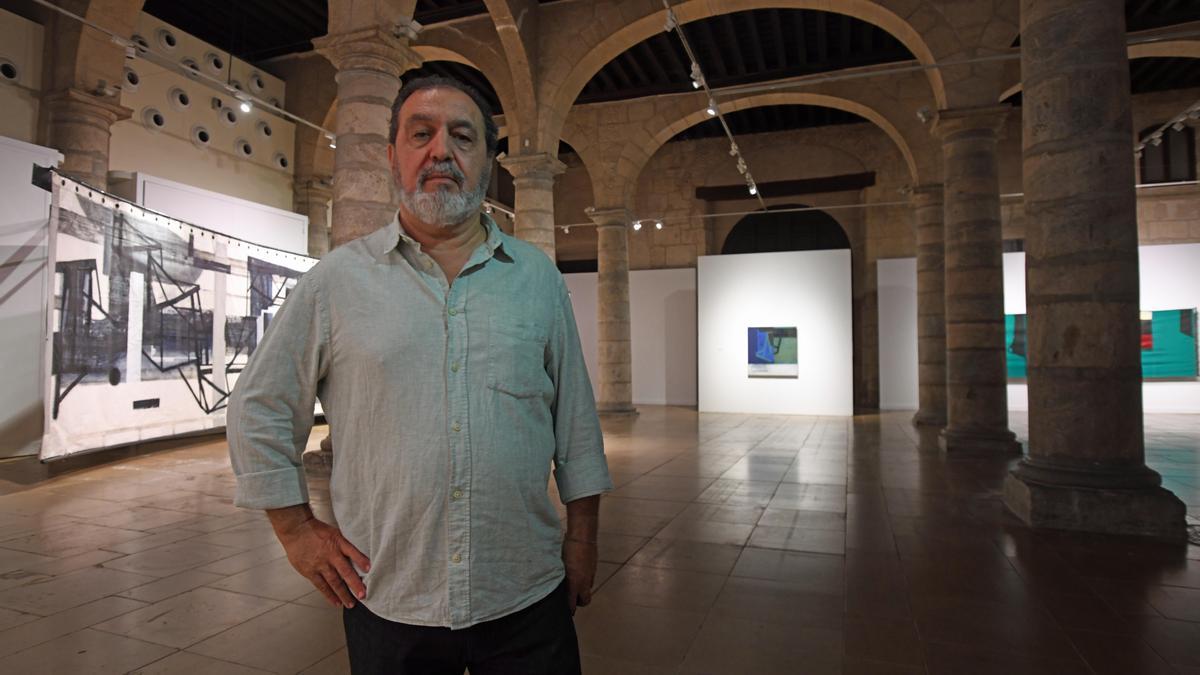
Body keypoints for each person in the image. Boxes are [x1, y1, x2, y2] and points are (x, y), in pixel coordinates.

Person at [227, 75, 611, 675]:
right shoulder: (336, 282)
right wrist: (297, 530)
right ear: (392, 156)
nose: (441, 151)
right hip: (388, 593)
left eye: (463, 136)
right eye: (421, 134)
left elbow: (576, 424)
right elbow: (260, 406)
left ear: (487, 161)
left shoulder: (535, 278)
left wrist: (583, 540)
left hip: (524, 588)